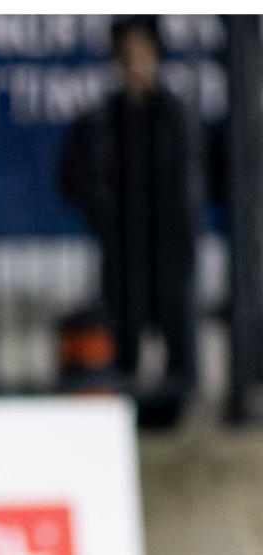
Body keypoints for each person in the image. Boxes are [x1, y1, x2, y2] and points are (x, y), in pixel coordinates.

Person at [58, 15, 205, 429]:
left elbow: (191, 183)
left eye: (142, 54)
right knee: (122, 345)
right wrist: (104, 215)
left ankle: (171, 418)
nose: (135, 64)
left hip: (169, 251)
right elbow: (74, 175)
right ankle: (128, 421)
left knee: (178, 343)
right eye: (127, 56)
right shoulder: (104, 118)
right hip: (123, 252)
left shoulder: (173, 115)